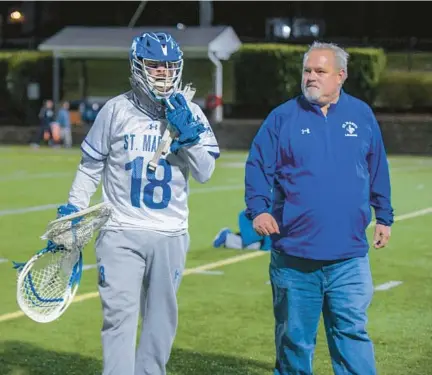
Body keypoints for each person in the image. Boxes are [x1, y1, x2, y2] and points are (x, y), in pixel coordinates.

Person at [54, 32, 220, 375]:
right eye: (155, 66)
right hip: (120, 230)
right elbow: (90, 165)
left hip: (171, 232)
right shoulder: (115, 110)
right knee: (118, 318)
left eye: (169, 66)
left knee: (161, 323)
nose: (163, 73)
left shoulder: (191, 112)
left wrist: (188, 136)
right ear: (137, 66)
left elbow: (205, 172)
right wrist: (74, 206)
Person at [244, 41, 394, 375]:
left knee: (351, 336)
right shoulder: (282, 118)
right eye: (307, 71)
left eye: (320, 71)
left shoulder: (361, 114)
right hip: (295, 258)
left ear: (340, 75)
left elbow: (377, 167)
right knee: (294, 342)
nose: (311, 77)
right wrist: (259, 209)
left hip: (349, 259)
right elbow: (257, 165)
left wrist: (384, 216)